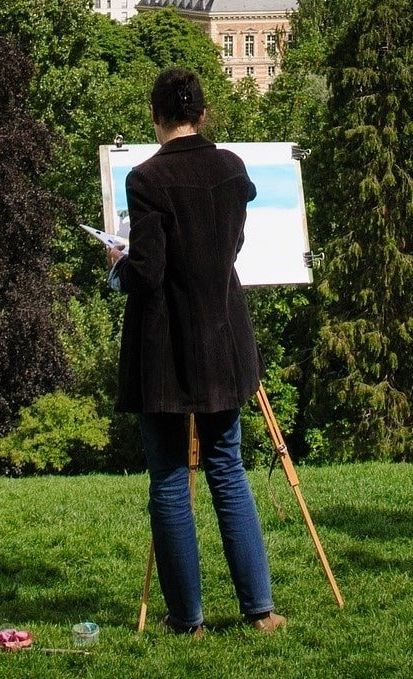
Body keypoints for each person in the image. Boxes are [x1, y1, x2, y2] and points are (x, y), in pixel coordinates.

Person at [108, 67, 285, 635]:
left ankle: (187, 619)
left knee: (167, 478)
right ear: (203, 115)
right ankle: (259, 609)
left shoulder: (145, 179)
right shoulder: (232, 170)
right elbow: (228, 247)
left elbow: (149, 270)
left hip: (165, 345)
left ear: (156, 118)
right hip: (223, 337)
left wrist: (118, 268)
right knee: (227, 467)